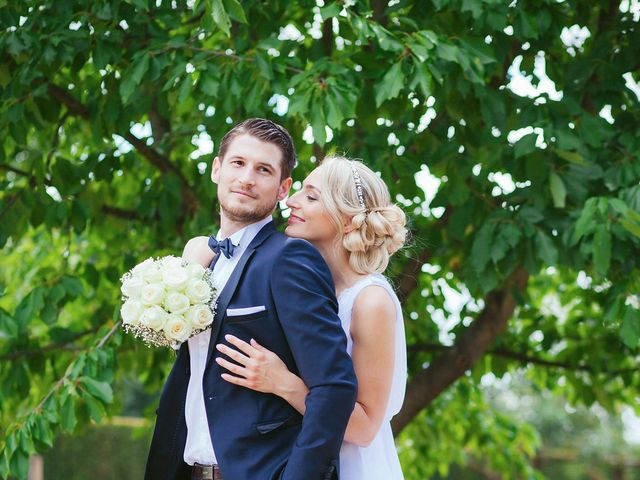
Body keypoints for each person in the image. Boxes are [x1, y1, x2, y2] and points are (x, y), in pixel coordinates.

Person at [144, 119, 358, 480]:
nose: (246, 178)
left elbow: (334, 388)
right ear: (217, 169)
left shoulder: (290, 259)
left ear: (282, 188)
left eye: (263, 170)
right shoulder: (198, 264)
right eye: (238, 163)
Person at [215, 155, 408, 479]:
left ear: (347, 221)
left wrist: (284, 383)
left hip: (351, 468)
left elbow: (364, 428)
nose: (291, 201)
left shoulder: (371, 300)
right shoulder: (309, 287)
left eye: (311, 196)